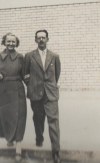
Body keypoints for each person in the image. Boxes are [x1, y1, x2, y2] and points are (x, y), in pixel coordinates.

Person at [23, 30, 61, 163]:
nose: (41, 40)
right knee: (38, 118)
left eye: (43, 38)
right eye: (38, 38)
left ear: (47, 39)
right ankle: (39, 138)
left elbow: (57, 74)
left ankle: (56, 151)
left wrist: (51, 86)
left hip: (50, 94)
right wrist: (32, 85)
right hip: (36, 93)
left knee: (53, 122)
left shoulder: (54, 56)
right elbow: (25, 74)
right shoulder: (29, 56)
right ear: (35, 40)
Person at [0, 32, 27, 162]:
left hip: (17, 89)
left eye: (13, 41)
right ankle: (9, 139)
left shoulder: (21, 57)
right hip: (2, 90)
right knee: (5, 117)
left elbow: (25, 75)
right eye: (8, 41)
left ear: (16, 43)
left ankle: (18, 149)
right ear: (4, 42)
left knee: (19, 118)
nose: (11, 44)